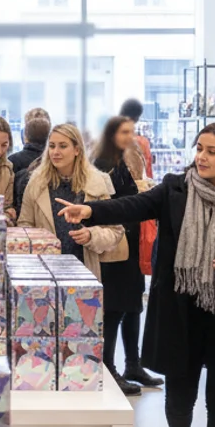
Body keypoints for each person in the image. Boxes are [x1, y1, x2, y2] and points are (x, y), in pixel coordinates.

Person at [56, 122, 215, 427]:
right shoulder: (176, 188)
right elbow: (134, 205)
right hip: (179, 309)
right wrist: (90, 211)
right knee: (179, 397)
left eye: (212, 151)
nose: (201, 157)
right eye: (199, 148)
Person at [16, 123, 134, 395]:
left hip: (83, 276)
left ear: (77, 150)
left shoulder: (96, 183)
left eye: (63, 146)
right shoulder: (36, 183)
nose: (56, 152)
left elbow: (114, 231)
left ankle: (80, 401)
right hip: (43, 278)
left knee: (81, 347)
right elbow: (24, 226)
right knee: (41, 345)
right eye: (52, 146)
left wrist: (91, 235)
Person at [91, 116, 163, 392]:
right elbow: (111, 202)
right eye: (124, 132)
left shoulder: (122, 160)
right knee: (115, 308)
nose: (130, 136)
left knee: (133, 305)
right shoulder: (103, 164)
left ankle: (133, 364)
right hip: (115, 245)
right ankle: (109, 366)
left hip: (131, 244)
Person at [119, 98, 154, 178]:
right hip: (137, 183)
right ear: (137, 117)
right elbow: (147, 169)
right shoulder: (142, 142)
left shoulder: (111, 135)